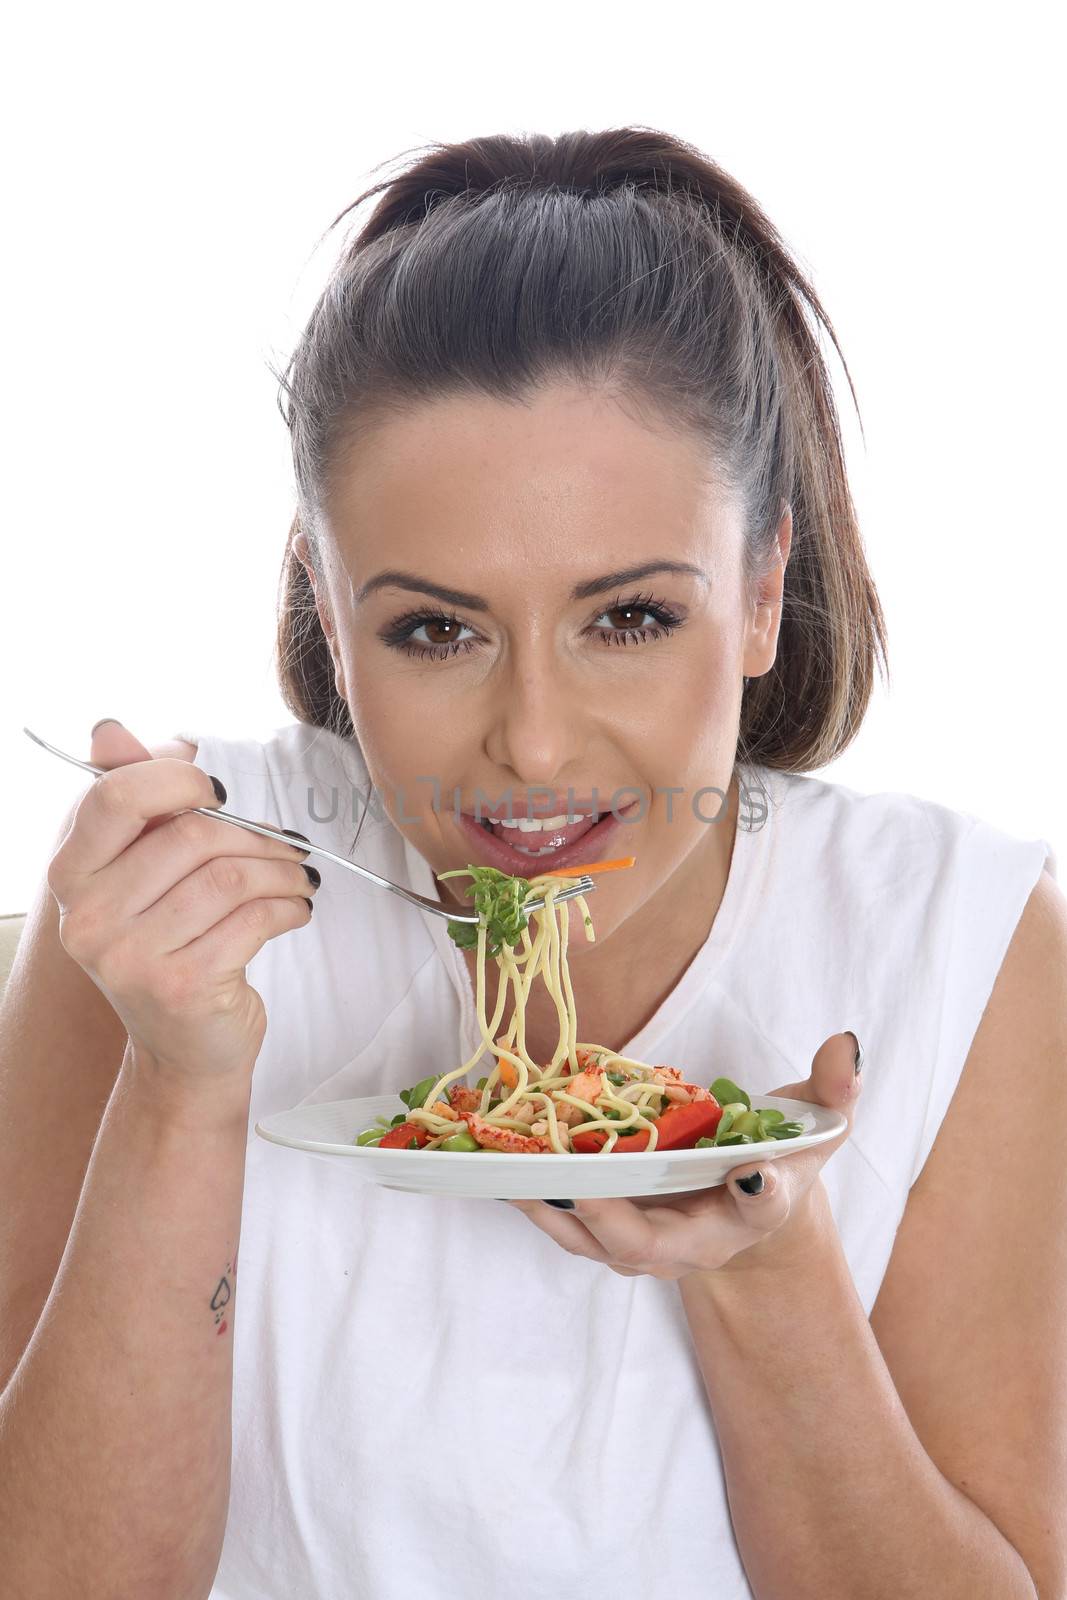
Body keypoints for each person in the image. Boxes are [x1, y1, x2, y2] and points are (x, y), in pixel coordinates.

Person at [1, 126, 1063, 1600]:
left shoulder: (964, 938)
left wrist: (767, 1278)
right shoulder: (171, 897)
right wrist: (183, 1088)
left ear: (760, 594)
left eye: (628, 618)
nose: (537, 748)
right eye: (435, 630)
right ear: (326, 602)